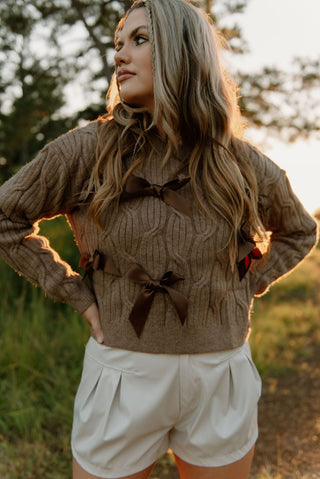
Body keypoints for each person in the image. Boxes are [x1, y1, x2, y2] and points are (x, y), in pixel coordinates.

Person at [0, 0, 317, 478]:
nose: (120, 55)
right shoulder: (88, 149)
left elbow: (299, 230)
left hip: (220, 373)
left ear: (184, 52)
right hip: (124, 373)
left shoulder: (240, 161)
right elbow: (6, 217)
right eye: (118, 43)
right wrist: (75, 293)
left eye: (140, 40)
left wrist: (247, 284)